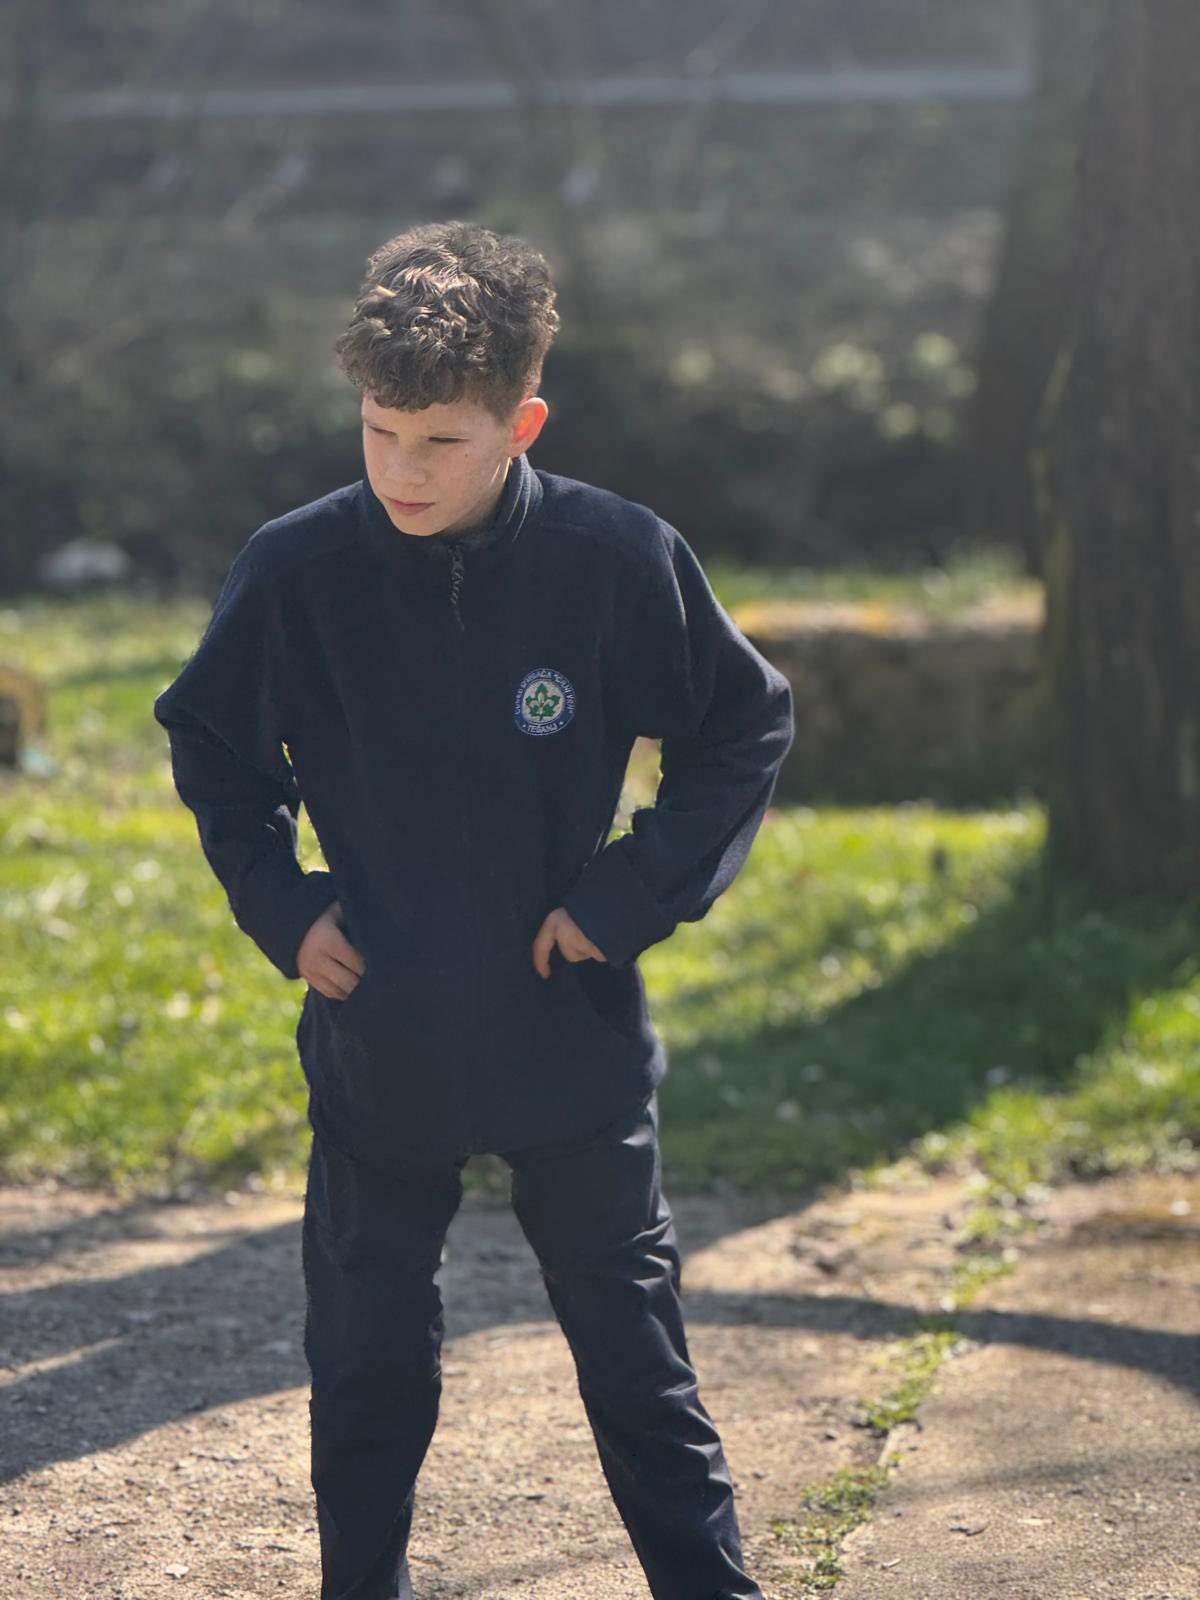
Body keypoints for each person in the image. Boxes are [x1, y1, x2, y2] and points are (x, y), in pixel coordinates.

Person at [153, 219, 794, 1600]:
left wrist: (628, 893)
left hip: (569, 1039)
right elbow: (209, 743)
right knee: (365, 1373)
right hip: (379, 1044)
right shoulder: (297, 571)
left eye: (441, 441)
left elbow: (744, 726)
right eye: (378, 433)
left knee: (639, 1367)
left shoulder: (615, 558)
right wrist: (281, 904)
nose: (402, 470)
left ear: (522, 423)